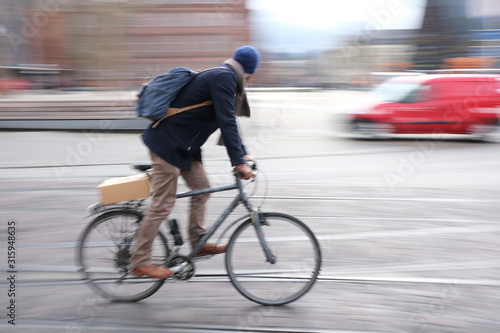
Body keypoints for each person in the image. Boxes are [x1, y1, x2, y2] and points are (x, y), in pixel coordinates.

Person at [131, 46, 261, 279]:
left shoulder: (224, 76)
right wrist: (238, 162)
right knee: (162, 204)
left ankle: (198, 242)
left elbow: (228, 120)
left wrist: (243, 154)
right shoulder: (225, 77)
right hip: (166, 144)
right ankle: (140, 261)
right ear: (249, 72)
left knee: (202, 189)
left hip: (185, 148)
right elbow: (226, 119)